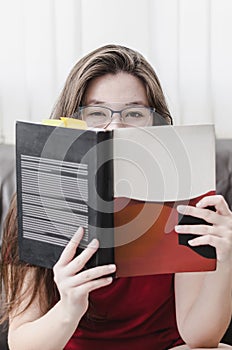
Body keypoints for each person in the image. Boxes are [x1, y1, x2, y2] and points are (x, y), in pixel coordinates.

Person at [1, 44, 232, 350]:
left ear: (156, 123)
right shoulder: (41, 196)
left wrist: (226, 261)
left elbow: (201, 338)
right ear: (72, 121)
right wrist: (69, 306)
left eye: (134, 113)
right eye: (96, 112)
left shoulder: (185, 192)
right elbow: (22, 343)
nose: (115, 126)